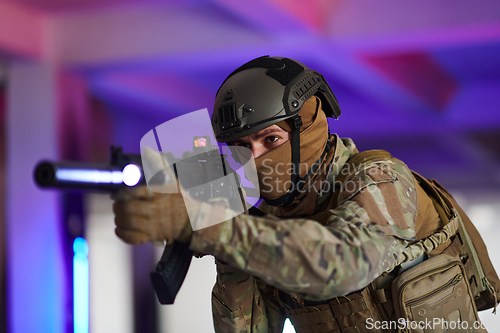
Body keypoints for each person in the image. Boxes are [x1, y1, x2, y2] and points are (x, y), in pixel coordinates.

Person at [111, 56, 458, 332]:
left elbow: (343, 264)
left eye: (271, 139)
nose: (256, 158)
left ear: (306, 127)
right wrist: (228, 242)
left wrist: (213, 230)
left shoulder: (379, 179)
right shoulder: (271, 222)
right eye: (242, 147)